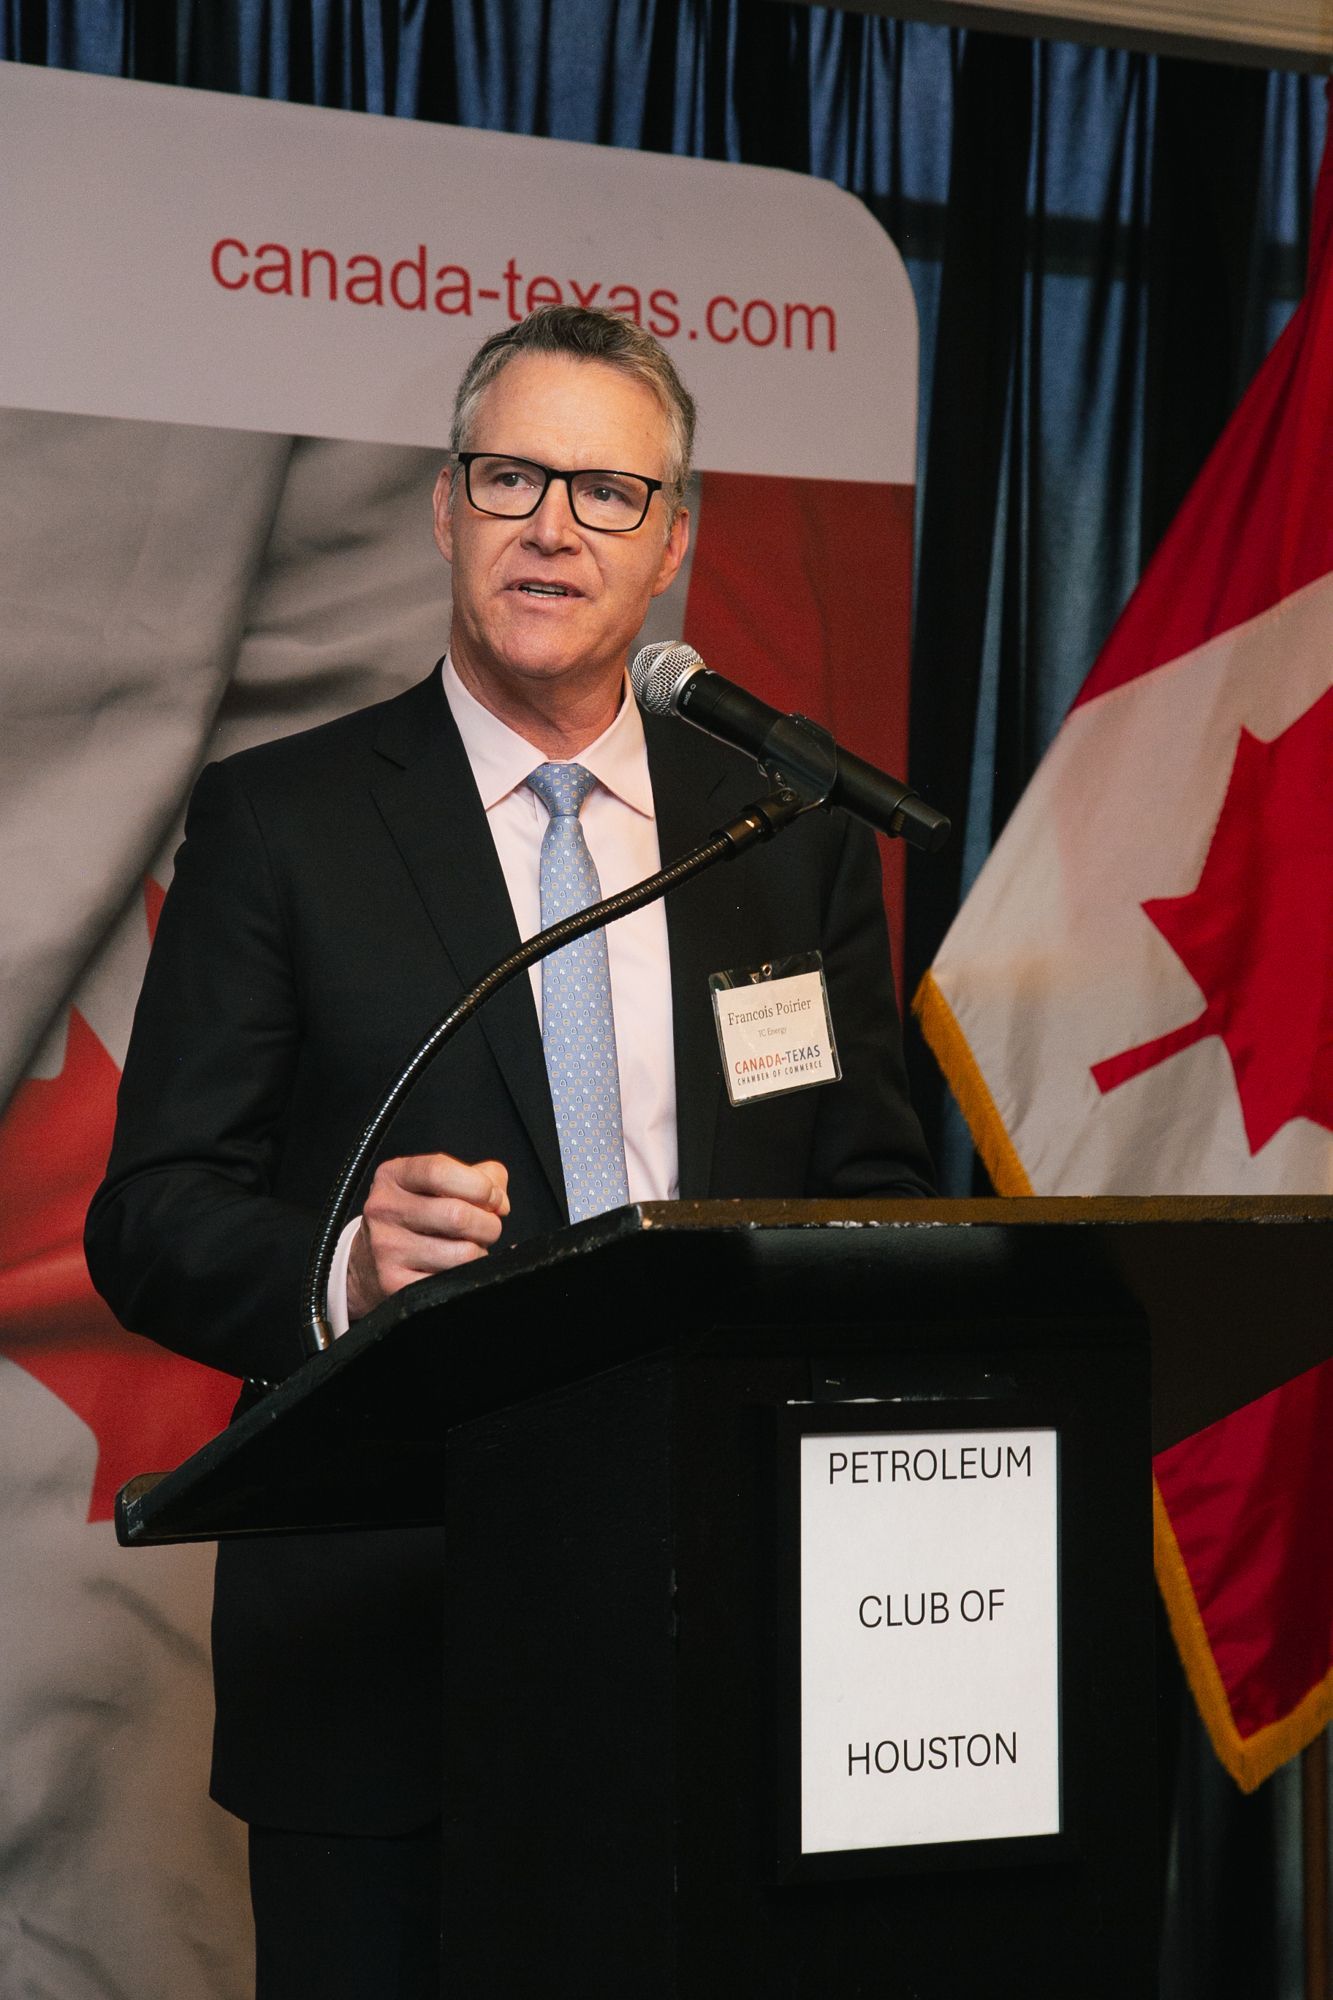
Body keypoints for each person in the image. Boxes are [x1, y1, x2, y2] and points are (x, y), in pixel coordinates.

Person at [86, 305, 933, 1997]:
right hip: (387, 1641)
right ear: (442, 510)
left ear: (673, 541)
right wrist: (337, 1269)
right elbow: (151, 1214)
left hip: (722, 1633)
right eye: (512, 476)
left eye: (609, 491)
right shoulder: (286, 819)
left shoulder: (783, 843)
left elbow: (871, 1194)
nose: (555, 524)